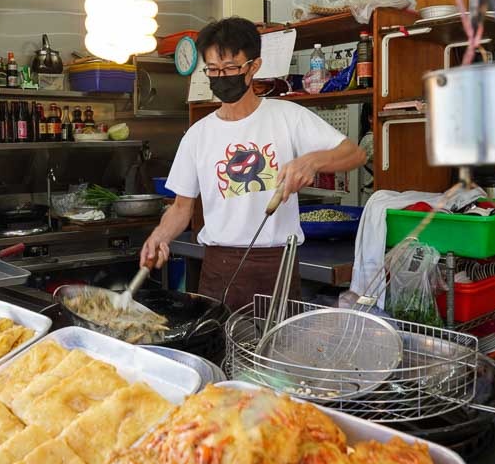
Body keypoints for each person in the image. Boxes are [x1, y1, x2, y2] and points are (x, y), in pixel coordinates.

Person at [139, 17, 367, 309]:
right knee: (218, 349)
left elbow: (355, 154)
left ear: (253, 67)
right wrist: (160, 236)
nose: (221, 76)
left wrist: (312, 161)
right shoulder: (198, 134)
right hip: (219, 265)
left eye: (231, 68)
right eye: (213, 69)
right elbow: (182, 207)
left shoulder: (287, 116)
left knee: (275, 349)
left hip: (277, 264)